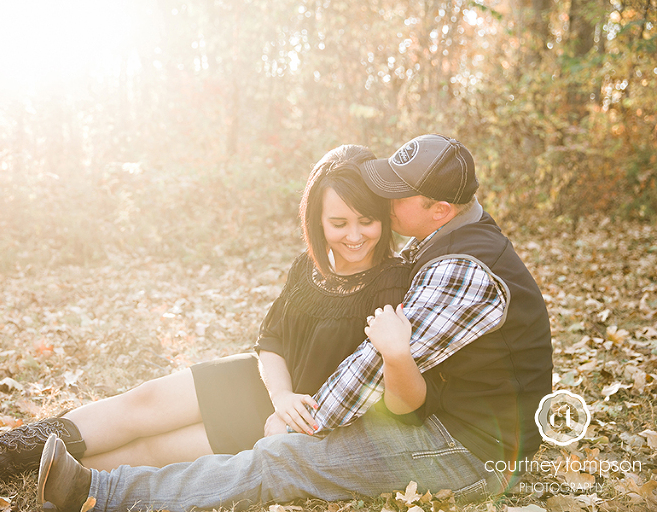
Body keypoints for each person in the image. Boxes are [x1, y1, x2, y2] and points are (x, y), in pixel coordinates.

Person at [36, 133, 554, 512]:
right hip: (439, 415)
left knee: (282, 459)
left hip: (472, 451)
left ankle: (96, 495)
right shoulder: (447, 238)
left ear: (439, 209)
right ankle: (37, 458)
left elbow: (376, 367)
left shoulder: (463, 269)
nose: (386, 201)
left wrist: (300, 422)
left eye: (398, 195)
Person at [0, 145, 411, 481]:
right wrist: (277, 390)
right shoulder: (309, 266)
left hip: (294, 420)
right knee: (140, 402)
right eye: (338, 222)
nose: (353, 235)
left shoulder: (391, 283)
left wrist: (284, 408)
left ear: (383, 220)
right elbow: (272, 339)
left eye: (365, 221)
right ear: (316, 220)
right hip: (266, 384)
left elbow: (373, 385)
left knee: (147, 451)